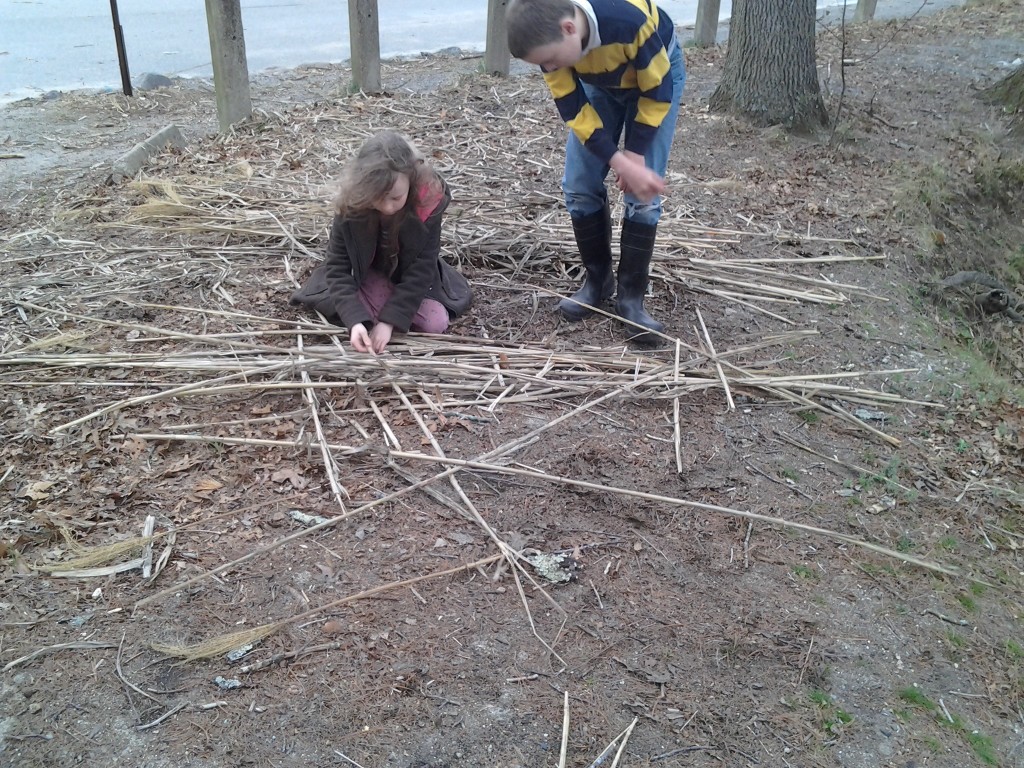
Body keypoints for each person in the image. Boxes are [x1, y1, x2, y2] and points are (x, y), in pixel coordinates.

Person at [506, 0, 685, 344]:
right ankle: (598, 281)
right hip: (599, 84)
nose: (549, 67)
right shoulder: (552, 42)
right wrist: (617, 162)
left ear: (569, 28)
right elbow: (573, 108)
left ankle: (631, 298)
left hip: (656, 81)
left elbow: (658, 90)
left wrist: (634, 155)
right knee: (578, 185)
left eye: (551, 61)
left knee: (641, 194)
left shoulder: (627, 22)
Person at [290, 131, 472, 354]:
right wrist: (356, 323)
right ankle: (371, 311)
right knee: (354, 312)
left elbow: (423, 267)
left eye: (396, 198)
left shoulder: (428, 205)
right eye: (377, 198)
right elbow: (337, 267)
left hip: (408, 279)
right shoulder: (353, 206)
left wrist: (388, 322)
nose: (387, 207)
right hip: (366, 275)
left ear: (412, 180)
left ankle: (383, 313)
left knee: (434, 323)